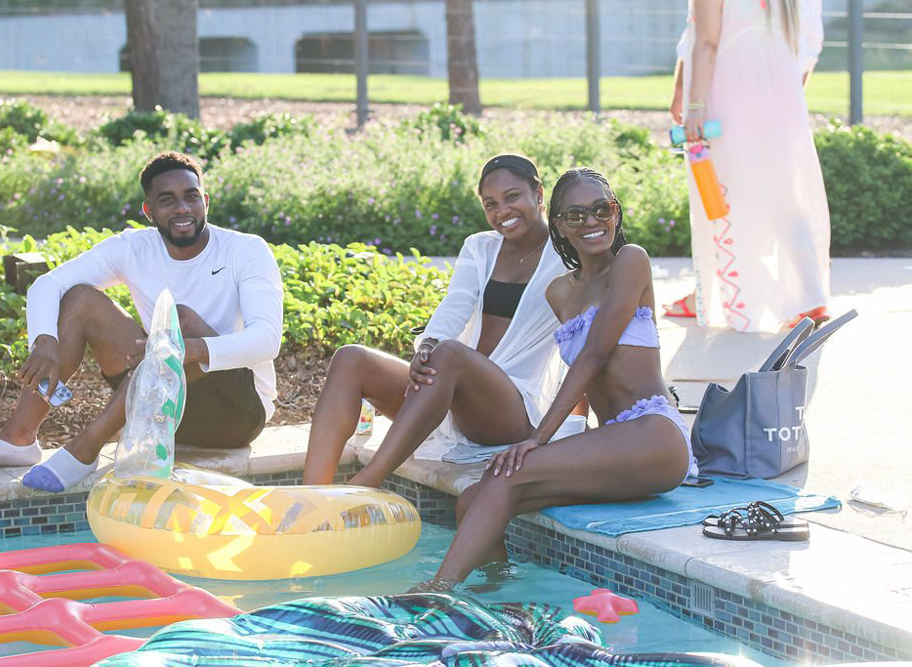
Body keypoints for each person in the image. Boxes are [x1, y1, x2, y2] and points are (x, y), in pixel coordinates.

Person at [417, 167, 698, 589]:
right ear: (560, 226)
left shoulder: (630, 261)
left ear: (616, 213)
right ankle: (499, 601)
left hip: (655, 434)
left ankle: (434, 593)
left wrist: (536, 439)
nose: (592, 222)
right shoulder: (559, 292)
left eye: (602, 209)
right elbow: (578, 379)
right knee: (476, 497)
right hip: (617, 444)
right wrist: (564, 438)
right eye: (577, 215)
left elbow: (595, 355)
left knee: (504, 473)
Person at [0, 151, 283, 491]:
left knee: (180, 321)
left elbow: (267, 339)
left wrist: (188, 349)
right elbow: (47, 284)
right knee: (80, 300)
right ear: (149, 212)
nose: (182, 208)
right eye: (167, 200)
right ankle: (18, 437)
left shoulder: (246, 250)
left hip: (235, 416)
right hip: (158, 406)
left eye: (191, 197)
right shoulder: (133, 248)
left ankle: (89, 444)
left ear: (205, 201)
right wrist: (44, 341)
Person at [302, 154, 566, 488]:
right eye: (490, 204)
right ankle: (311, 495)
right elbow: (457, 303)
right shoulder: (480, 247)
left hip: (512, 408)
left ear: (539, 194)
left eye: (512, 197)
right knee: (351, 358)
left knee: (450, 354)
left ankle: (361, 487)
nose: (502, 212)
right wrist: (426, 346)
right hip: (450, 395)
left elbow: (590, 337)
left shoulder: (567, 255)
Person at [664, 0, 831, 332]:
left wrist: (694, 105)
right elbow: (808, 42)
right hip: (781, 91)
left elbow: (706, 42)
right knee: (785, 195)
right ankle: (810, 294)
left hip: (730, 91)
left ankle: (735, 298)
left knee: (724, 197)